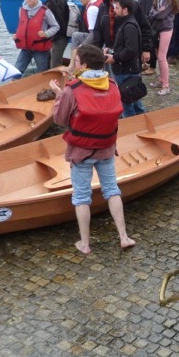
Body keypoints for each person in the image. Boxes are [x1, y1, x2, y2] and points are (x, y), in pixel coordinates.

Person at [49, 45, 135, 255]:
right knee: (112, 189)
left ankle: (85, 244)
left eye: (77, 61)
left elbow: (60, 120)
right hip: (106, 148)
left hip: (81, 151)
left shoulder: (72, 89)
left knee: (81, 197)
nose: (75, 64)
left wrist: (59, 95)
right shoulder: (112, 85)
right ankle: (123, 237)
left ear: (85, 65)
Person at [104, 0, 145, 117]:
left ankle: (131, 127)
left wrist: (114, 58)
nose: (114, 10)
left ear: (125, 10)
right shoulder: (125, 24)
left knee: (127, 102)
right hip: (127, 69)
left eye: (117, 8)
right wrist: (111, 51)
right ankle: (141, 122)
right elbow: (123, 47)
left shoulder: (129, 26)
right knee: (135, 100)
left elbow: (130, 50)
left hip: (126, 71)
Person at [12, 0, 59, 75]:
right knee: (17, 69)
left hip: (40, 48)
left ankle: (44, 87)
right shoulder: (21, 10)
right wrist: (16, 35)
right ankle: (12, 85)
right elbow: (21, 26)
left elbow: (56, 26)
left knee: (42, 71)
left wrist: (46, 33)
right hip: (26, 47)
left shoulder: (45, 11)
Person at [149, 0, 178, 96]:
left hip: (165, 28)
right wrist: (156, 12)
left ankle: (166, 85)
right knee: (158, 54)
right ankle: (161, 79)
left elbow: (162, 14)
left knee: (161, 57)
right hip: (158, 28)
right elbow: (152, 11)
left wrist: (155, 13)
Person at [36, 0, 70, 67]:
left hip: (60, 36)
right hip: (52, 35)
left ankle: (57, 82)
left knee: (55, 64)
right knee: (48, 61)